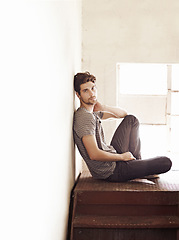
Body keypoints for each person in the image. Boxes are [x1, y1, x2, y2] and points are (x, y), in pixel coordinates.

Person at [73, 71, 172, 182]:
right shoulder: (84, 117)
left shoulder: (93, 113)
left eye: (93, 88)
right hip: (110, 171)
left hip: (113, 158)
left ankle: (136, 163)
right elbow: (94, 154)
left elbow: (124, 114)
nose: (92, 94)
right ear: (78, 94)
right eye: (86, 90)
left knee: (131, 120)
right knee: (165, 162)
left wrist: (104, 107)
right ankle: (136, 166)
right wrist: (122, 157)